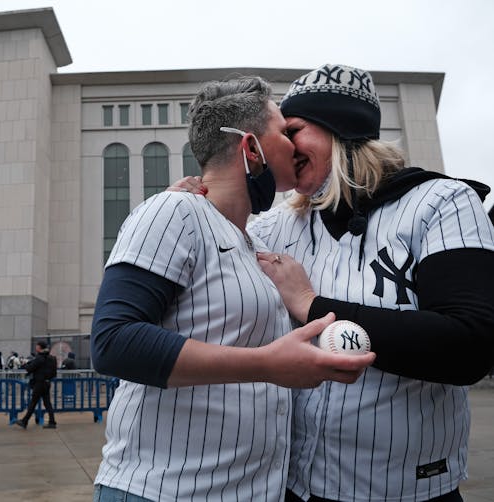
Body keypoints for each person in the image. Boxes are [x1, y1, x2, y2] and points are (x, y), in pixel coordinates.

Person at [173, 64, 494, 502]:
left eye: (294, 130)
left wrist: (310, 304)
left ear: (338, 129)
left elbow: (470, 346)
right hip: (294, 488)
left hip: (409, 491)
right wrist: (195, 199)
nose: (282, 145)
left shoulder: (441, 203)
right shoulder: (276, 226)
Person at [91, 75, 375, 502]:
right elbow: (114, 341)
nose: (295, 146)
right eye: (283, 133)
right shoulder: (174, 210)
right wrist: (265, 364)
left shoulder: (254, 241)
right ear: (251, 148)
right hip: (164, 490)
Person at [15, 340, 58, 429]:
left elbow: (29, 369)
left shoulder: (39, 358)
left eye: (37, 346)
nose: (36, 348)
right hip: (47, 383)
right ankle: (52, 422)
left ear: (39, 348)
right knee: (47, 403)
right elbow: (54, 373)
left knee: (33, 402)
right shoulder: (52, 358)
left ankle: (24, 421)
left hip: (39, 384)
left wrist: (24, 364)